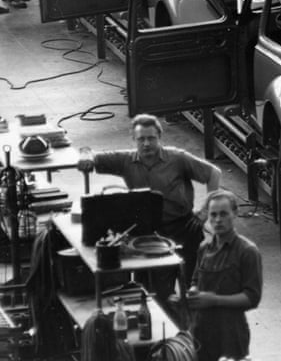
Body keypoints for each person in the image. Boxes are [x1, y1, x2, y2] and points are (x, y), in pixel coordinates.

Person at [77, 114, 222, 291]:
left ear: (159, 138)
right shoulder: (125, 161)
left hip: (185, 229)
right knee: (153, 292)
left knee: (194, 288)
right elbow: (90, 153)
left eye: (151, 138)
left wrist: (207, 212)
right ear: (134, 140)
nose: (146, 144)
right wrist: (85, 156)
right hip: (150, 235)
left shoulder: (178, 158)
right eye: (141, 139)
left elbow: (213, 173)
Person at [188, 190, 262, 361]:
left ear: (235, 214)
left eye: (223, 214)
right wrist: (192, 292)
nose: (218, 220)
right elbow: (195, 280)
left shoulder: (247, 251)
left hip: (231, 334)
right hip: (202, 330)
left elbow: (252, 298)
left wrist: (213, 300)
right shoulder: (204, 248)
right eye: (213, 214)